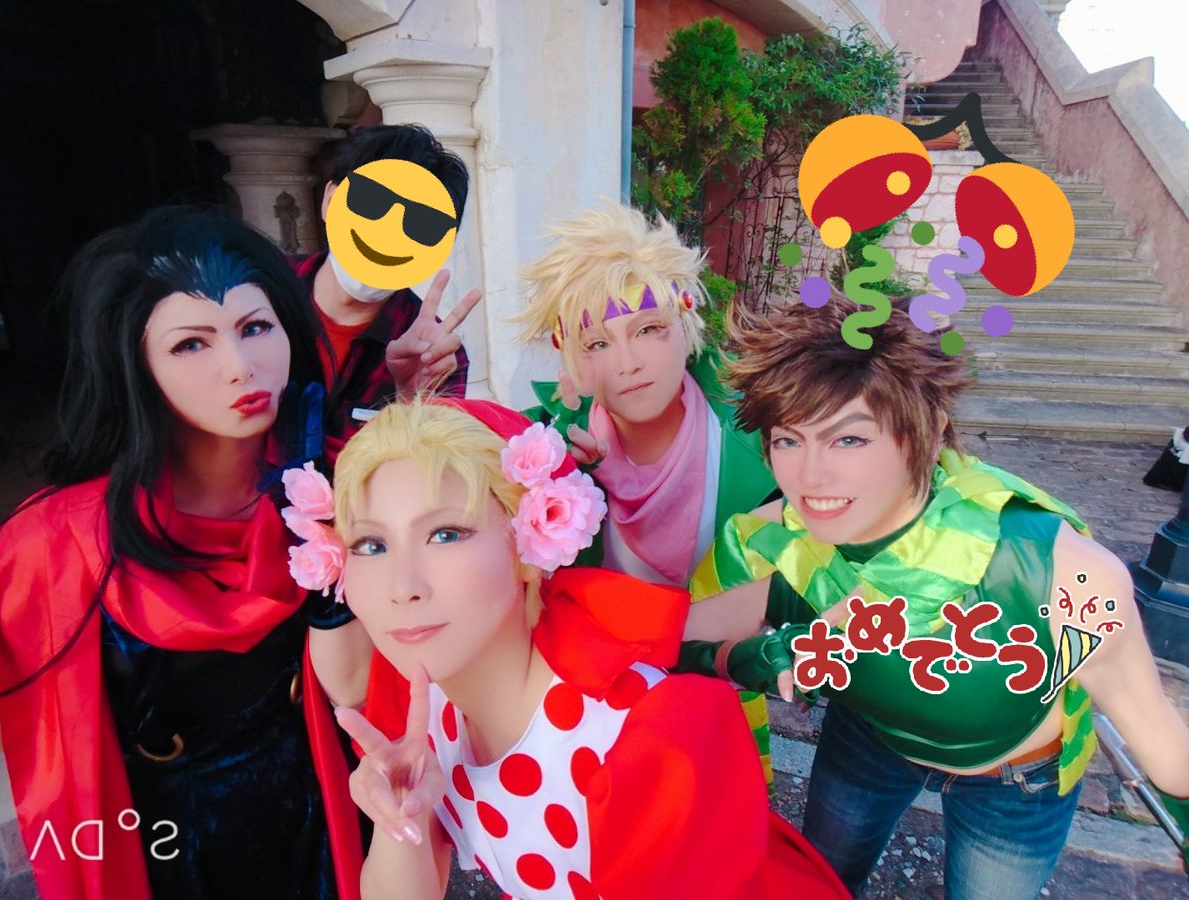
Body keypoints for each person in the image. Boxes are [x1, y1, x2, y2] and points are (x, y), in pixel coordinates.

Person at [679, 295, 1189, 898]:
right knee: (819, 884)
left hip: (1014, 779)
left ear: (925, 430)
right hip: (868, 738)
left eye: (849, 440)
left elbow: (1164, 752)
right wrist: (757, 658)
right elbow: (677, 648)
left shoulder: (1056, 571)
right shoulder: (775, 541)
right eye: (789, 440)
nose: (810, 478)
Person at [0, 208, 370, 900]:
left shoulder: (344, 485)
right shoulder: (54, 544)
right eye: (191, 344)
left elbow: (372, 686)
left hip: (321, 817)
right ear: (133, 366)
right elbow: (24, 734)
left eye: (256, 328)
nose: (240, 367)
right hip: (158, 847)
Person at [324, 399, 847, 900]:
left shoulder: (642, 746)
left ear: (530, 544)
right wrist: (403, 818)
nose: (402, 587)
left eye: (445, 534)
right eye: (370, 545)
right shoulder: (420, 697)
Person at [515, 201, 780, 780]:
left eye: (649, 329)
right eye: (596, 344)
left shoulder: (765, 431)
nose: (628, 363)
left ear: (686, 324)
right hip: (601, 718)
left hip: (723, 695)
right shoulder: (541, 452)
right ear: (568, 355)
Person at [299, 124, 482, 458]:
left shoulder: (433, 356)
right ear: (331, 200)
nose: (389, 232)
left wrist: (411, 408)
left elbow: (427, 472)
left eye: (421, 225)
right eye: (372, 203)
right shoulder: (256, 291)